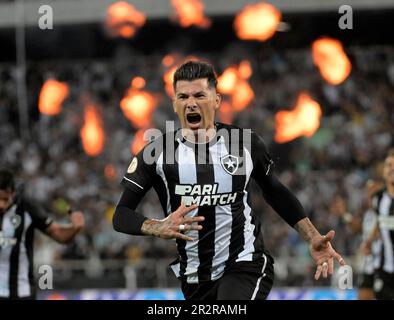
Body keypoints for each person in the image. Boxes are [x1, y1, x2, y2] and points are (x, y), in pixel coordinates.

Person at [113, 60, 345, 300]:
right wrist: (156, 226)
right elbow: (121, 214)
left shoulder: (244, 143)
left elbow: (275, 191)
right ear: (174, 104)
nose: (191, 103)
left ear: (216, 100)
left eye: (199, 95)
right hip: (195, 277)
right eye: (182, 97)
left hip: (245, 265)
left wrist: (312, 236)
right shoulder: (157, 152)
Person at [0, 168, 85, 300]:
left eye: (5, 199)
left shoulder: (26, 209)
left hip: (22, 292)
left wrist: (75, 228)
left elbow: (59, 234)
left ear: (13, 192)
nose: (1, 205)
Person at [362, 150, 394, 300]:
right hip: (385, 270)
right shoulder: (379, 199)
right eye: (389, 165)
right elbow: (380, 222)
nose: (392, 168)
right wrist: (369, 241)